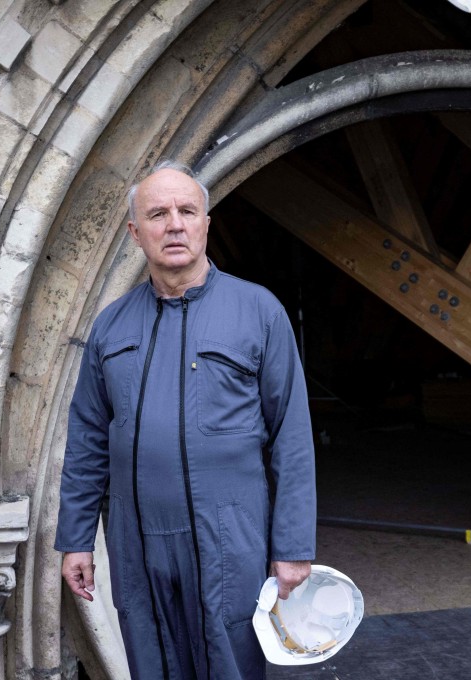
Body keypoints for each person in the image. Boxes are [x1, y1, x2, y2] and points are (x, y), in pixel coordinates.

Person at [54, 161, 316, 679]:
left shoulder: (259, 312)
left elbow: (292, 436)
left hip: (231, 537)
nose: (174, 224)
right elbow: (87, 441)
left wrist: (292, 547)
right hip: (137, 539)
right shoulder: (110, 327)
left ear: (206, 224)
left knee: (231, 661)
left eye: (186, 211)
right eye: (157, 214)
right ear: (135, 232)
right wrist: (77, 539)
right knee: (151, 660)